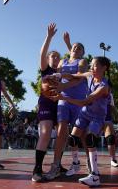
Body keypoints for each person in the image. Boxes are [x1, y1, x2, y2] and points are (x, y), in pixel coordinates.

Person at [50, 56, 111, 186]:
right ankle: (76, 164)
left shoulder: (104, 86)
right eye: (91, 65)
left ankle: (94, 176)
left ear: (104, 68)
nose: (92, 68)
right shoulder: (90, 75)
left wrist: (63, 97)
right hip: (85, 114)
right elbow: (74, 76)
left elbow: (85, 101)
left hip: (97, 116)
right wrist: (59, 74)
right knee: (72, 139)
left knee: (90, 139)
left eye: (95, 65)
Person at [45, 32, 88, 180]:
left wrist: (62, 87)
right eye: (74, 47)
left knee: (82, 134)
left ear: (83, 53)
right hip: (64, 100)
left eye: (79, 48)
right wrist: (50, 85)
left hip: (79, 100)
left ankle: (89, 165)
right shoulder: (63, 62)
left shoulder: (82, 63)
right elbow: (57, 79)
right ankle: (56, 165)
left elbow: (78, 80)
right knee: (61, 131)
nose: (76, 48)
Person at [32, 23, 63, 182]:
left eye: (58, 56)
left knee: (62, 135)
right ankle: (37, 170)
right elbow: (42, 53)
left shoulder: (62, 73)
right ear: (48, 59)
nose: (56, 58)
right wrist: (49, 37)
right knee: (45, 134)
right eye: (53, 56)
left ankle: (57, 164)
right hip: (46, 104)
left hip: (61, 105)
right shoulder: (46, 69)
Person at [103, 82, 118, 167]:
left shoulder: (110, 96)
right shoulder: (93, 92)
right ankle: (89, 160)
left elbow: (112, 107)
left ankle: (113, 159)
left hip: (107, 119)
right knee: (90, 139)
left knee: (111, 138)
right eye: (108, 88)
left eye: (110, 89)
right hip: (94, 118)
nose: (109, 90)